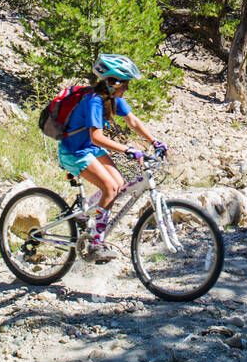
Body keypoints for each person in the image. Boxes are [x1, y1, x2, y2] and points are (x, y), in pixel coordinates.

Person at [58, 54, 166, 261]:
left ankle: (83, 215)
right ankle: (96, 244)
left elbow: (132, 121)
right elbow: (96, 137)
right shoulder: (95, 101)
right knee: (109, 187)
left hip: (89, 149)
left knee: (118, 184)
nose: (127, 88)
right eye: (124, 84)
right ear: (112, 82)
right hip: (74, 151)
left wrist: (154, 141)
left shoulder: (113, 99)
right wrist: (127, 149)